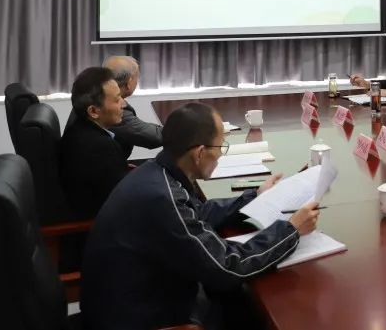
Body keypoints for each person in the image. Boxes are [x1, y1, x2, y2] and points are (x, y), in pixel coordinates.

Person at [80, 102, 321, 330]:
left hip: (133, 297)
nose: (221, 155)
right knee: (252, 307)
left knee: (238, 298)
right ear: (199, 153)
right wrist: (291, 230)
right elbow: (227, 267)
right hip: (139, 317)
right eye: (220, 147)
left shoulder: (157, 173)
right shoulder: (163, 198)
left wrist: (254, 196)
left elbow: (197, 213)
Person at [60, 67, 130, 218]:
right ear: (93, 111)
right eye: (117, 99)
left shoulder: (76, 127)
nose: (123, 104)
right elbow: (124, 201)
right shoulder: (102, 148)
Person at [103, 55, 163, 152]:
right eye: (137, 78)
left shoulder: (95, 93)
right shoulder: (112, 108)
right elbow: (154, 137)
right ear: (129, 83)